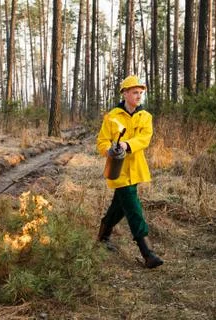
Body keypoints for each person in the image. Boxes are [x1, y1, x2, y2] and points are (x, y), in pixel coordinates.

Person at [96, 75, 163, 269]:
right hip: (118, 170)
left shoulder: (146, 117)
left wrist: (127, 144)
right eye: (135, 92)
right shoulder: (112, 117)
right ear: (125, 93)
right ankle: (147, 252)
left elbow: (144, 139)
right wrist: (108, 149)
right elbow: (102, 141)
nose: (138, 96)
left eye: (140, 93)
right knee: (133, 207)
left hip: (136, 169)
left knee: (120, 205)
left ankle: (103, 234)